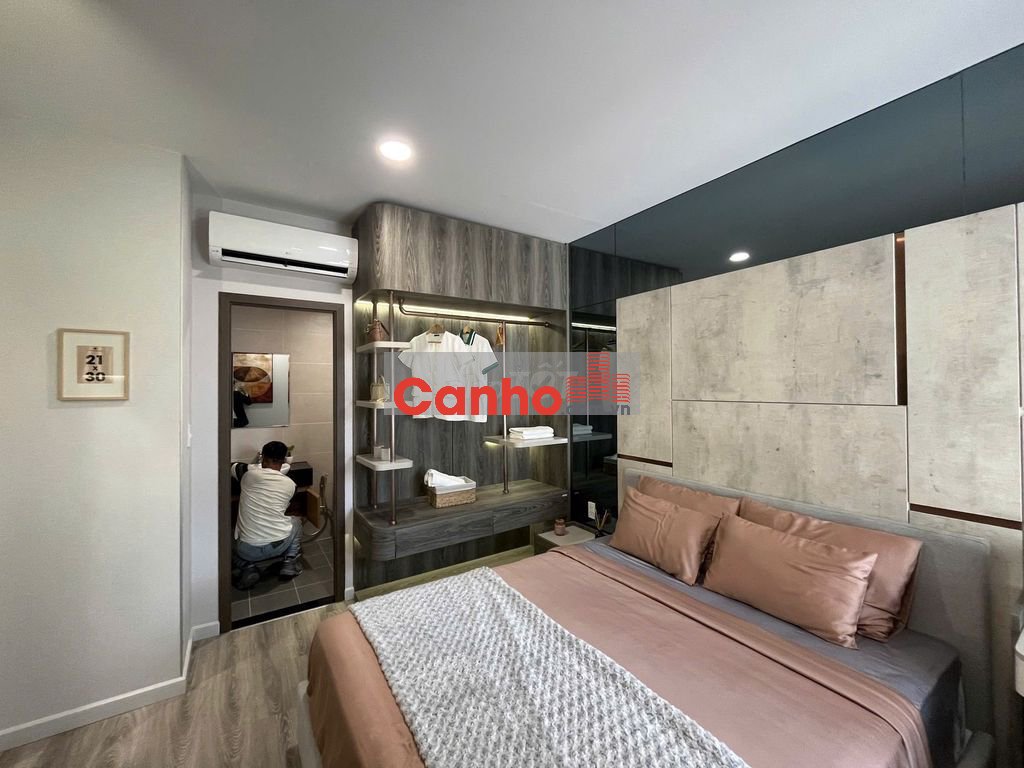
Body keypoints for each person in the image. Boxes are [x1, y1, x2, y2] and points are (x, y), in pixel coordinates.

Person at [230, 440, 302, 589]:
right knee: (296, 521)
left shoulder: (247, 475)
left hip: (247, 550)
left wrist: (254, 464)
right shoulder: (291, 485)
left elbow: (233, 466)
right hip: (278, 546)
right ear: (283, 461)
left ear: (263, 458)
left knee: (228, 536)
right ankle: (289, 563)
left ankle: (247, 567)